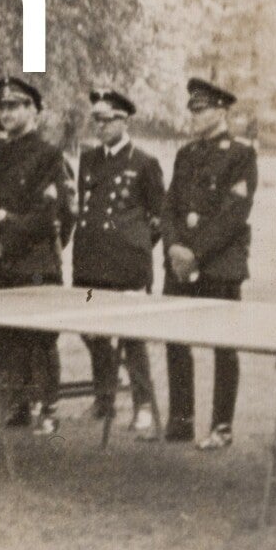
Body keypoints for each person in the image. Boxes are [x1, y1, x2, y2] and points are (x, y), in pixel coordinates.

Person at [160, 77, 257, 449]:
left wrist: (195, 254)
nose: (194, 116)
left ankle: (221, 426)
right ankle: (181, 420)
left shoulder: (241, 154)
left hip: (219, 264)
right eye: (192, 110)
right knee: (175, 340)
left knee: (224, 345)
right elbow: (170, 207)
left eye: (200, 110)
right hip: (180, 261)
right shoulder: (185, 154)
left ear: (221, 111)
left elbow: (233, 215)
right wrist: (173, 247)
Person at [0, 76, 73, 434]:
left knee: (39, 339)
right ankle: (16, 405)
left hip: (33, 261)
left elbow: (46, 215)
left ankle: (48, 408)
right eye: (2, 106)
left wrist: (4, 243)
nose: (6, 113)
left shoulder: (49, 155)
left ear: (34, 111)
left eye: (14, 106)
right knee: (4, 337)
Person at [73, 88, 166, 435]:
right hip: (90, 263)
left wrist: (134, 244)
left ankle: (143, 405)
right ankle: (105, 399)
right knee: (92, 332)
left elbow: (158, 218)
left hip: (127, 267)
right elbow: (87, 208)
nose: (99, 126)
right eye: (95, 120)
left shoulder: (144, 163)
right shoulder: (89, 160)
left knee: (131, 338)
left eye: (106, 119)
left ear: (124, 121)